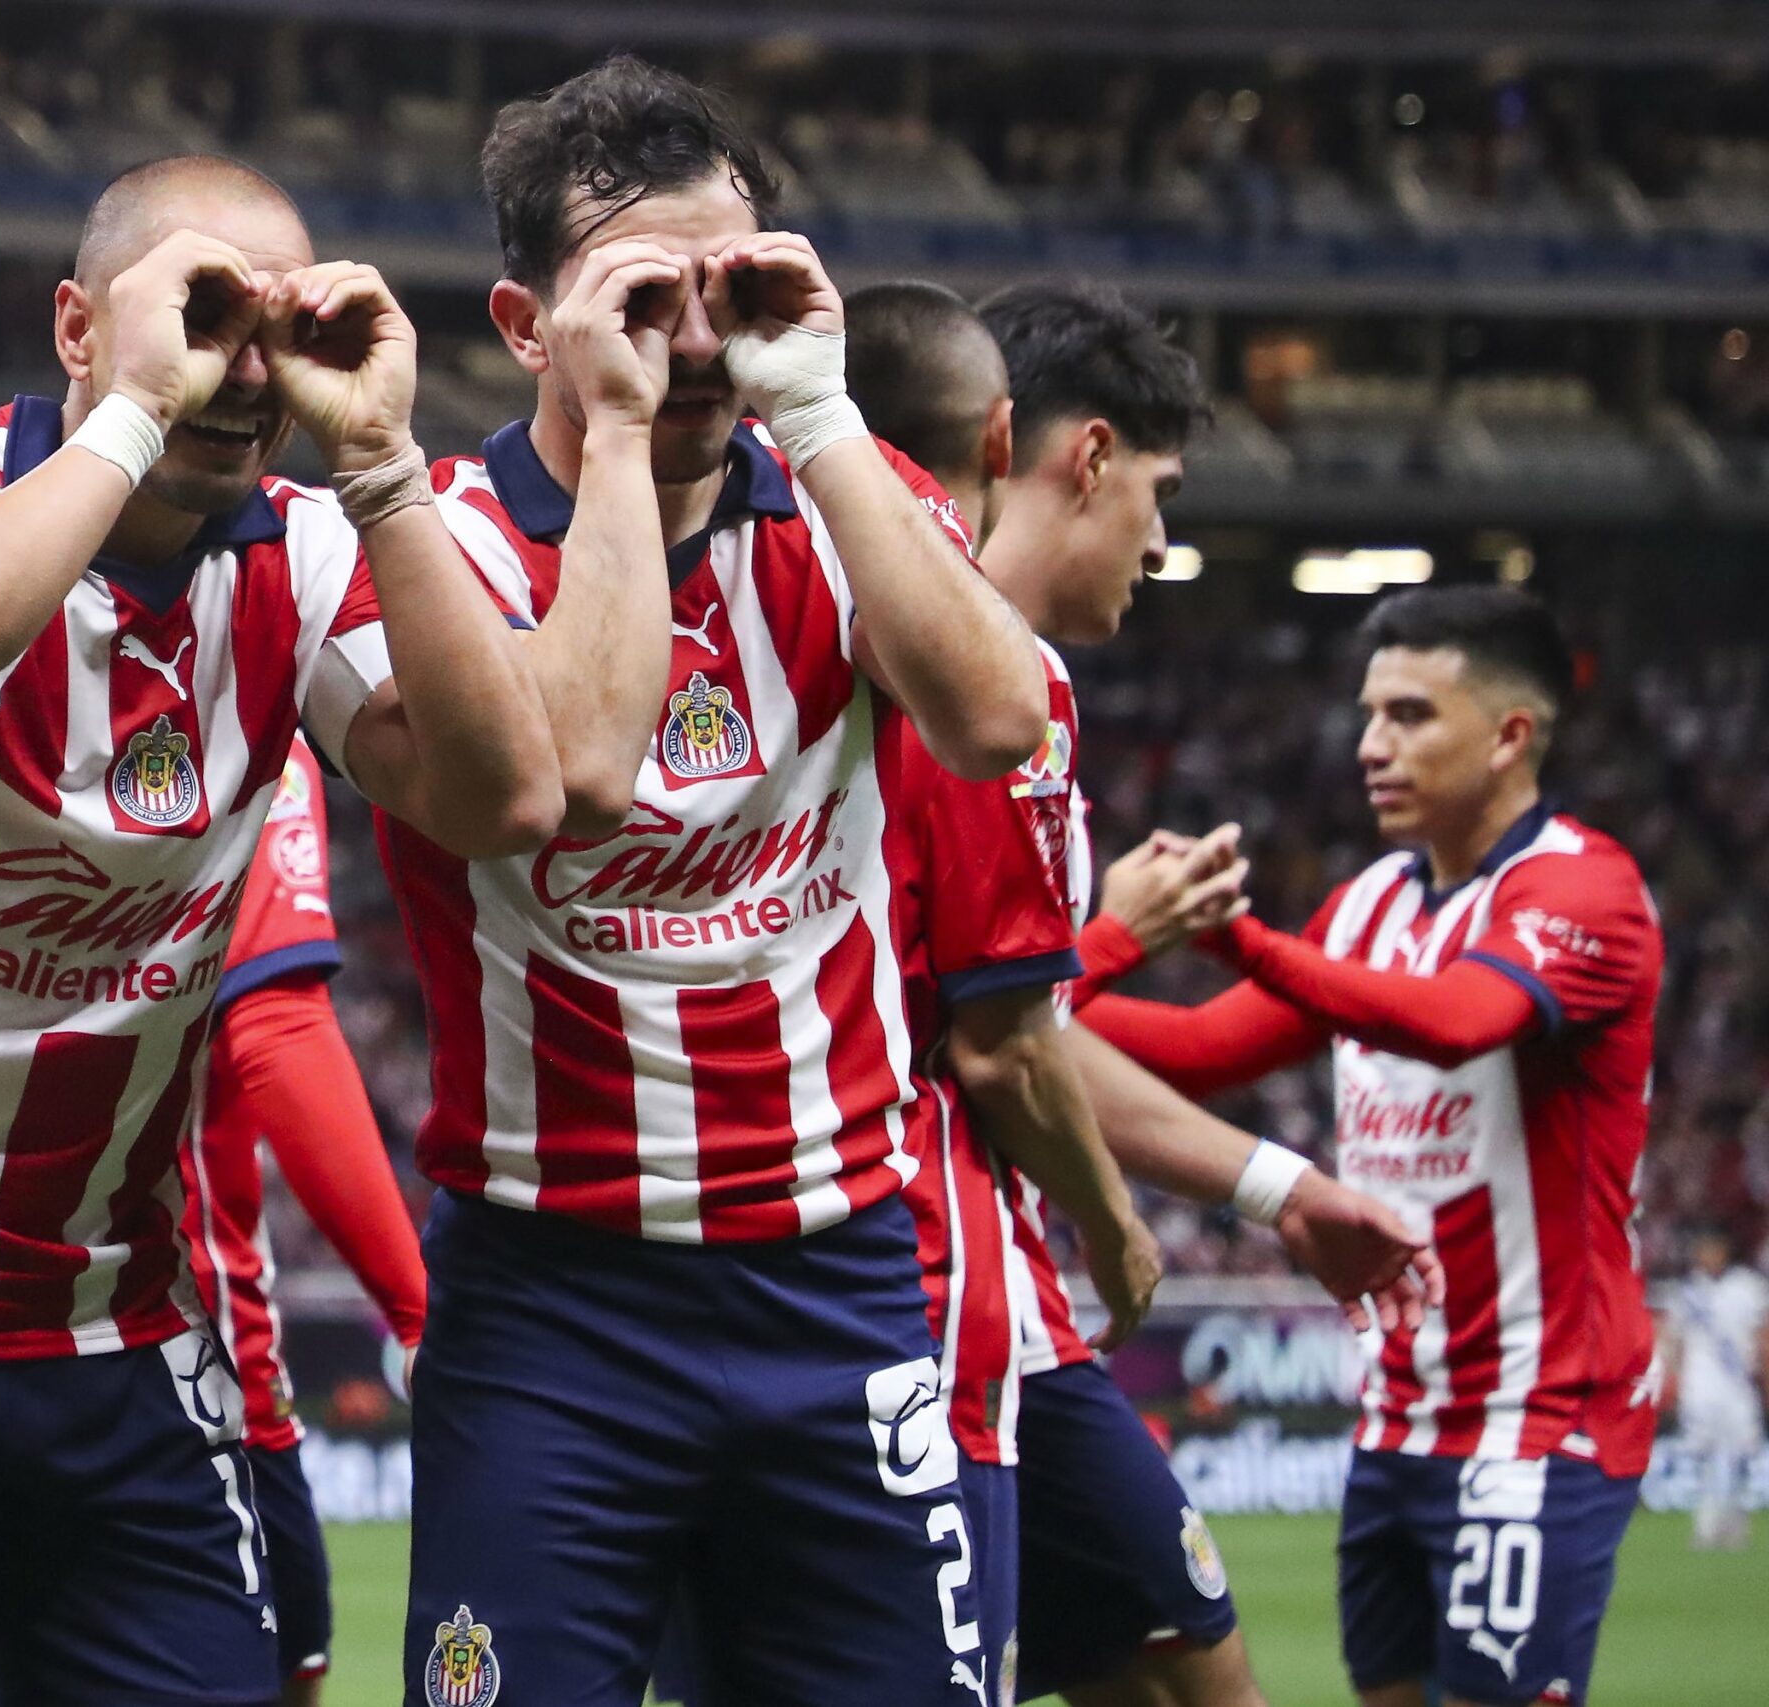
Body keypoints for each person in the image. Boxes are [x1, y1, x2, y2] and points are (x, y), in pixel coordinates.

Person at [0, 154, 560, 1707]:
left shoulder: (300, 553)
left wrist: (380, 464)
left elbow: (503, 799)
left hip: (116, 1320)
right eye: (200, 313)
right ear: (78, 329)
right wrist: (133, 418)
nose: (242, 369)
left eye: (273, 327)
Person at [346, 55, 1051, 1707]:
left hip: (841, 1273)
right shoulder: (430, 548)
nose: (697, 335)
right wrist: (620, 436)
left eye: (727, 282)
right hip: (553, 1301)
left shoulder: (838, 504)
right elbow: (566, 776)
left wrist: (818, 399)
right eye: (646, 294)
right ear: (528, 325)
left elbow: (999, 714)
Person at [837, 278, 1437, 1707]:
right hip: (926, 1282)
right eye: (1160, 497)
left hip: (898, 1271)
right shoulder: (989, 682)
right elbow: (1000, 1040)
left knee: (1153, 1661)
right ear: (1080, 456)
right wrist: (1119, 1222)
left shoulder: (854, 642)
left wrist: (1276, 1186)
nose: (1163, 545)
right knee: (1185, 1667)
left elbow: (1015, 1025)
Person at [1082, 584, 1663, 1707]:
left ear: (1509, 736)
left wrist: (1238, 938)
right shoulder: (1369, 906)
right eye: (1367, 715)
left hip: (1536, 1423)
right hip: (1395, 1419)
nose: (1369, 746)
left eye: (1408, 716)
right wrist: (1050, 972)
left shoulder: (1584, 891)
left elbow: (1456, 1024)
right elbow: (1197, 1052)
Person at [180, 736, 430, 1702]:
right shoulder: (236, 704)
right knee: (280, 1669)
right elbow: (274, 1028)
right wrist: (417, 1311)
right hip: (185, 1356)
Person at [1665, 1222, 1768, 1549]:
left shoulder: (1747, 1287)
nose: (1707, 1254)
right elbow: (1677, 1343)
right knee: (1705, 1456)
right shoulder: (1686, 1291)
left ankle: (1736, 1523)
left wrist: (1762, 1377)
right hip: (1701, 1387)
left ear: (1724, 1249)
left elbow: (1760, 1336)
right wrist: (1679, 1381)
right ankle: (1707, 1526)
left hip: (1737, 1385)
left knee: (1740, 1454)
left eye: (1712, 1247)